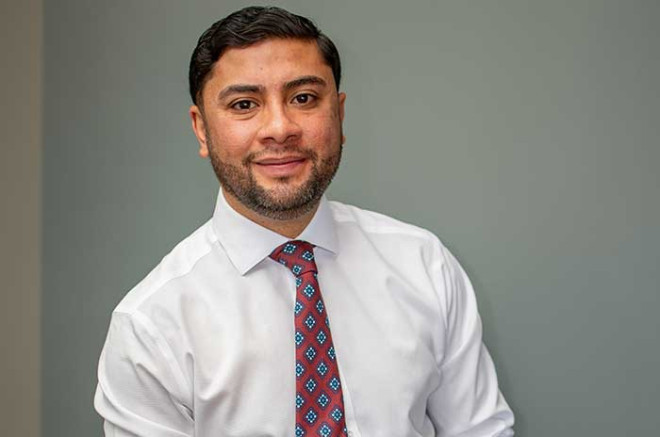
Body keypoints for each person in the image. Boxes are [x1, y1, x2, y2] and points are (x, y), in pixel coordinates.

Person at [94, 6, 514, 437]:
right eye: (244, 104)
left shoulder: (424, 265)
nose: (280, 128)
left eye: (304, 98)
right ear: (201, 130)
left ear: (339, 114)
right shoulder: (150, 327)